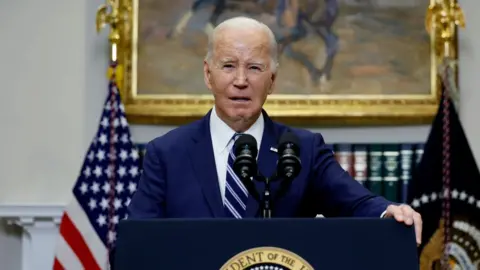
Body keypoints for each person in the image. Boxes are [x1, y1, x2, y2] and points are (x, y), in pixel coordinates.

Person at [127, 16, 422, 245]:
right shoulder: (166, 154)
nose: (241, 80)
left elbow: (357, 203)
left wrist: (390, 212)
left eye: (254, 68)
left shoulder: (302, 150)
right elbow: (135, 244)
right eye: (229, 66)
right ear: (208, 74)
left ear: (273, 80)